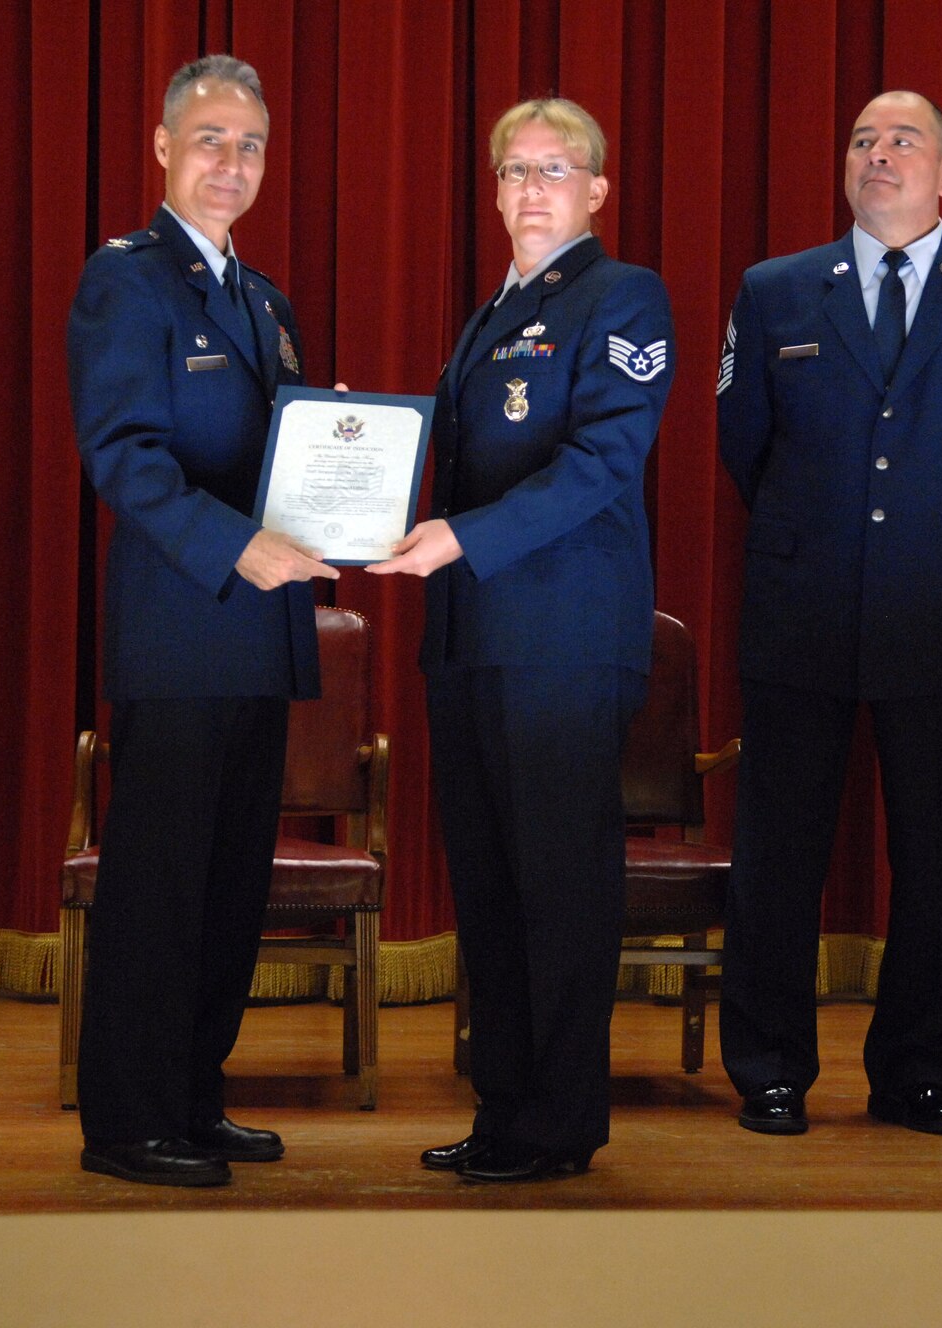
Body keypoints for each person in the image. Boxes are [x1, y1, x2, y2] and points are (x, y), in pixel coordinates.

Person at [715, 90, 942, 1137]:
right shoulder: (774, 292)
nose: (879, 153)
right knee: (778, 852)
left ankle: (913, 1072)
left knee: (934, 854)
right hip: (799, 602)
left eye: (903, 138)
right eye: (862, 138)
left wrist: (913, 527)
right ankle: (769, 1068)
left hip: (939, 607)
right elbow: (744, 444)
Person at [368, 97, 675, 1182]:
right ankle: (502, 1110)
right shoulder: (495, 309)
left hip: (560, 643)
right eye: (514, 168)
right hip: (470, 640)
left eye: (556, 167)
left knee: (558, 889)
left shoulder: (622, 297)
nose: (532, 185)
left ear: (596, 189)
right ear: (494, 191)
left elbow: (599, 465)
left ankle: (556, 1123)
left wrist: (458, 537)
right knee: (490, 892)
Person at [65, 55, 338, 1187]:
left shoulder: (261, 299)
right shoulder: (126, 281)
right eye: (212, 140)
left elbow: (294, 460)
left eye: (252, 146)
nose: (232, 163)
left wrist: (340, 517)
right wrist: (239, 544)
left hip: (259, 636)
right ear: (165, 149)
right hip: (181, 629)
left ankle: (194, 1091)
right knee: (160, 880)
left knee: (231, 883)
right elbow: (123, 458)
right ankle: (128, 1117)